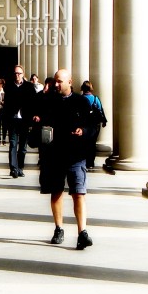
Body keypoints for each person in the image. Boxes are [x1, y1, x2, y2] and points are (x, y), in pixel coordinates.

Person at [33, 68, 96, 249]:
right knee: (56, 192)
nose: (57, 84)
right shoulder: (48, 100)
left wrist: (83, 131)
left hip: (76, 154)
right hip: (55, 155)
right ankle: (58, 228)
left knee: (79, 192)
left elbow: (92, 126)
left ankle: (82, 232)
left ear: (70, 82)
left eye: (60, 81)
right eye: (55, 81)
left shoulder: (82, 102)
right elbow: (34, 110)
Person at [2, 64, 36, 177]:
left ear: (23, 75)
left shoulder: (29, 87)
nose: (17, 75)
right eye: (15, 73)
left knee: (22, 147)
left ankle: (20, 167)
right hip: (12, 120)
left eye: (19, 73)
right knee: (13, 144)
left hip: (24, 121)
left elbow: (33, 103)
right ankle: (13, 168)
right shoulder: (9, 86)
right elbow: (6, 104)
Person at [80, 80, 106, 170]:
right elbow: (100, 109)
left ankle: (84, 161)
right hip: (94, 124)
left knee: (84, 143)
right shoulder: (95, 98)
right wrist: (104, 121)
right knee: (92, 143)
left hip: (84, 124)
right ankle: (90, 162)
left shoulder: (80, 99)